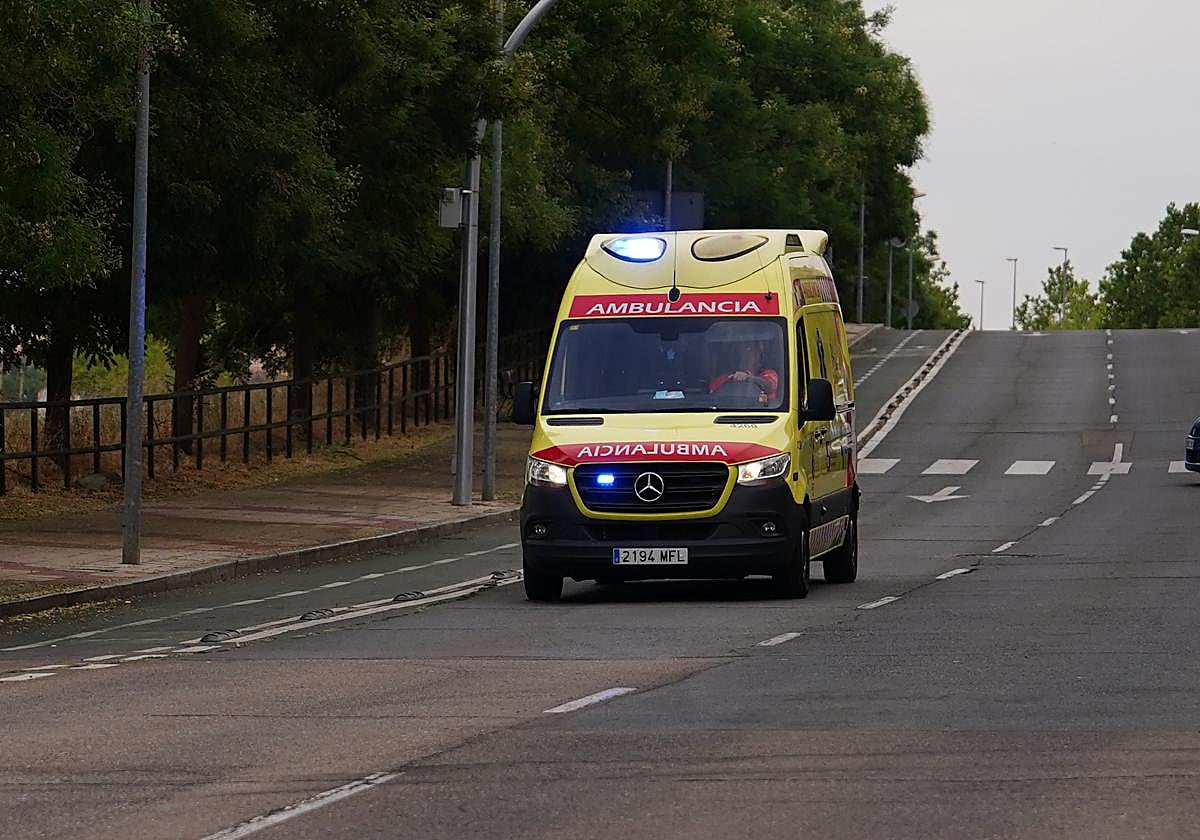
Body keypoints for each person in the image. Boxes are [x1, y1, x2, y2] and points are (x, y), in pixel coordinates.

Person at [709, 342, 779, 405]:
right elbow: (710, 399)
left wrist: (748, 378)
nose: (746, 354)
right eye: (743, 351)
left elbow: (769, 386)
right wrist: (731, 379)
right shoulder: (724, 378)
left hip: (762, 412)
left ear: (760, 356)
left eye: (750, 350)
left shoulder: (769, 374)